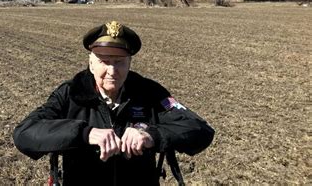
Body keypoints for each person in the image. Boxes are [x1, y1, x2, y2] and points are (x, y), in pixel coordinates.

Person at [13, 21, 215, 185]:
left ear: (129, 63)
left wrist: (152, 135)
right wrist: (84, 133)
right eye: (103, 61)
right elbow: (25, 133)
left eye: (119, 62)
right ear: (91, 63)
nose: (112, 70)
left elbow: (200, 129)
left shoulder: (150, 93)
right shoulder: (71, 93)